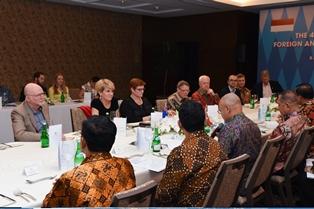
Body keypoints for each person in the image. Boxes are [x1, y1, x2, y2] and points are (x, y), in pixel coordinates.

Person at [42, 116, 136, 207]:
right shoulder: (125, 164)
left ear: (83, 141)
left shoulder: (70, 178)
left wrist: (61, 185)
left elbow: (48, 205)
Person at [155, 100, 226, 207]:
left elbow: (164, 195)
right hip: (216, 201)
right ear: (204, 121)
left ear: (179, 124)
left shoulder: (181, 153)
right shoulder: (217, 144)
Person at [217, 93, 262, 195]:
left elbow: (220, 161)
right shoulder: (254, 125)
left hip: (235, 183)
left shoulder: (228, 129)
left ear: (227, 109)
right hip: (254, 177)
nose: (221, 114)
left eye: (221, 111)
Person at [269, 90, 307, 172]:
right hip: (296, 160)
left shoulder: (283, 128)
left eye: (279, 104)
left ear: (287, 106)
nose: (278, 107)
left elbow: (268, 152)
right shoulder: (304, 118)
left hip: (279, 166)